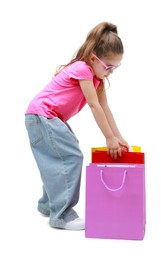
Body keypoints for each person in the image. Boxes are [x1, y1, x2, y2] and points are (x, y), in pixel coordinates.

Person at [25, 21, 129, 231]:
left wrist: (117, 136)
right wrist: (108, 138)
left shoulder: (97, 78)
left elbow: (105, 108)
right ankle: (62, 215)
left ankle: (48, 205)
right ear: (93, 58)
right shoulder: (82, 69)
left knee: (56, 159)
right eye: (108, 67)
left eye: (115, 68)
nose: (110, 72)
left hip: (44, 117)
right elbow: (93, 106)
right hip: (43, 116)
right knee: (70, 157)